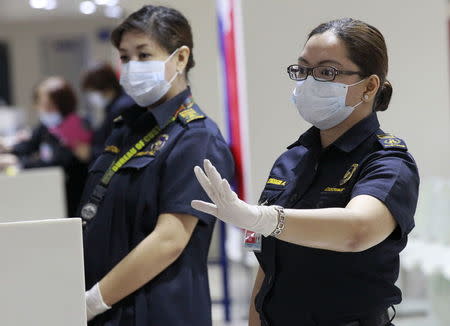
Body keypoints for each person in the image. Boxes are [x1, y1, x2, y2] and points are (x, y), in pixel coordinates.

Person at [192, 18, 419, 326]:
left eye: (327, 72)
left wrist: (266, 218)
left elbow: (358, 230)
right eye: (303, 70)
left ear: (369, 86)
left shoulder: (387, 162)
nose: (310, 82)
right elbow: (268, 265)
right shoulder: (292, 160)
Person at [81, 5, 234, 326]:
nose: (131, 66)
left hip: (157, 310)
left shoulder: (197, 138)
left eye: (144, 55)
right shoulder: (126, 128)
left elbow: (170, 239)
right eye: (124, 57)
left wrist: (93, 301)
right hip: (111, 305)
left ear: (180, 58)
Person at [0, 76, 92, 216]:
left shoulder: (76, 125)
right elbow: (30, 144)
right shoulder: (48, 125)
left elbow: (57, 162)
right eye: (41, 104)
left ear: (62, 104)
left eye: (48, 105)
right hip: (50, 190)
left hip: (73, 196)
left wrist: (18, 163)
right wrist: (8, 149)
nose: (42, 109)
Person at [81, 63, 135, 160]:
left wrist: (91, 152)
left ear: (104, 87)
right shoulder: (113, 107)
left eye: (92, 91)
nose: (92, 96)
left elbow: (120, 147)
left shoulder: (122, 108)